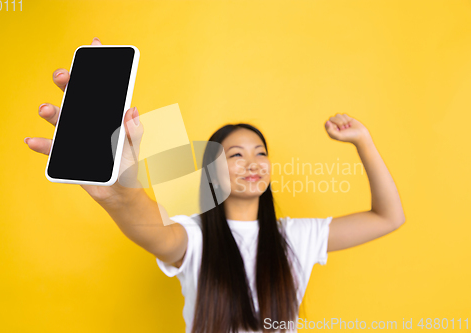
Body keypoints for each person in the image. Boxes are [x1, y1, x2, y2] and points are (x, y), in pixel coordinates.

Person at [25, 37, 405, 333]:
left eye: (260, 153)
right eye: (236, 155)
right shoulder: (194, 235)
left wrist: (364, 141)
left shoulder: (295, 238)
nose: (252, 163)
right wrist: (118, 192)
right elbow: (152, 230)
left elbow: (389, 218)